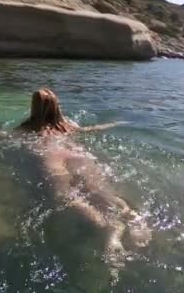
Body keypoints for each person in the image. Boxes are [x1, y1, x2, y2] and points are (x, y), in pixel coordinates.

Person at [17, 88, 151, 282]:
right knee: (101, 192)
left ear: (34, 107)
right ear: (57, 106)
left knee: (65, 196)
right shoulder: (67, 125)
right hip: (77, 154)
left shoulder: (27, 127)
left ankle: (109, 229)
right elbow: (91, 129)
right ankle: (130, 214)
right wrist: (116, 123)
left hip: (51, 156)